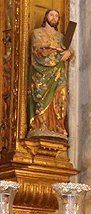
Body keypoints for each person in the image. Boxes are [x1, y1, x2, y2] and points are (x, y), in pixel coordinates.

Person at [28, 9, 73, 138]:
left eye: (56, 16)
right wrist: (55, 50)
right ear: (45, 17)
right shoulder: (37, 33)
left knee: (61, 96)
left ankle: (58, 125)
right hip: (42, 73)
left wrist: (69, 53)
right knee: (41, 95)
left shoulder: (61, 36)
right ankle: (41, 124)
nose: (54, 18)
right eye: (51, 15)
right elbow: (38, 49)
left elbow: (69, 50)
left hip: (59, 72)